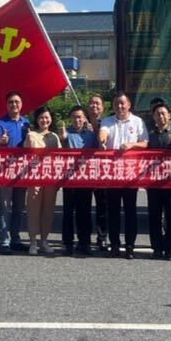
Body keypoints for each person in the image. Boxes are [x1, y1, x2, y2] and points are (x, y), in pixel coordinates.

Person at [98, 92, 148, 259]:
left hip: (130, 174)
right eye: (116, 104)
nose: (119, 107)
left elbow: (145, 143)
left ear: (129, 105)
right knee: (112, 211)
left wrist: (131, 145)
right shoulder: (107, 121)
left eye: (122, 103)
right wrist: (103, 140)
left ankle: (130, 246)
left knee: (130, 211)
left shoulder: (137, 121)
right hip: (112, 174)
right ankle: (114, 244)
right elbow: (103, 133)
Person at [0, 91, 31, 254]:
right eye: (11, 102)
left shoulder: (26, 122)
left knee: (19, 206)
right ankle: (4, 241)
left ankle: (15, 238)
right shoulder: (0, 122)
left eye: (17, 102)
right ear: (6, 104)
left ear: (21, 104)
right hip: (6, 170)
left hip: (22, 170)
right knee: (5, 206)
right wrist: (1, 141)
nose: (14, 104)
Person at [147, 103, 171, 259]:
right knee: (154, 215)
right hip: (153, 181)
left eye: (163, 113)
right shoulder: (150, 134)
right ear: (154, 117)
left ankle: (169, 247)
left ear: (169, 116)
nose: (161, 116)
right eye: (157, 114)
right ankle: (156, 247)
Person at [24, 106, 62, 255]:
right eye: (41, 118)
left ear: (51, 119)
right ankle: (33, 241)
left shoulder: (54, 136)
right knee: (33, 210)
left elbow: (60, 157)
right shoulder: (31, 135)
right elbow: (27, 154)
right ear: (37, 120)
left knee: (48, 209)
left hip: (50, 177)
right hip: (34, 177)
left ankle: (44, 240)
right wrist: (30, 139)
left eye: (46, 117)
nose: (44, 120)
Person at [61, 105, 97, 256]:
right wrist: (62, 138)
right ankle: (68, 243)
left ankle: (85, 242)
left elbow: (98, 152)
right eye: (74, 117)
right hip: (69, 178)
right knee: (68, 211)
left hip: (85, 178)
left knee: (85, 211)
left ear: (84, 118)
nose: (77, 119)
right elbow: (59, 151)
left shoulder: (90, 134)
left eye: (80, 117)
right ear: (71, 119)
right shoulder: (66, 133)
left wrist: (95, 133)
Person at [87, 93, 109, 251]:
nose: (94, 106)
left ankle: (102, 237)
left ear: (103, 108)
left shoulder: (107, 124)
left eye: (97, 104)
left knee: (103, 206)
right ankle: (84, 237)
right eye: (92, 103)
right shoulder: (80, 122)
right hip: (84, 171)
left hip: (102, 171)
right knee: (84, 206)